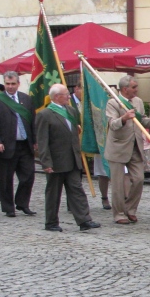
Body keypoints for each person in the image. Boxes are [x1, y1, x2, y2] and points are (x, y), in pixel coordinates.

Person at [34, 84, 100, 232]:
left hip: (72, 159)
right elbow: (42, 140)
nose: (69, 96)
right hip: (56, 161)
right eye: (65, 94)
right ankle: (51, 222)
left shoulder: (71, 111)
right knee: (53, 193)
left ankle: (84, 220)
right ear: (57, 97)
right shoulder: (45, 114)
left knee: (77, 190)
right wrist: (46, 162)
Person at [104, 75, 150, 224]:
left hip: (136, 146)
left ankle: (130, 209)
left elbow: (142, 121)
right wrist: (124, 118)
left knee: (139, 179)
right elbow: (113, 124)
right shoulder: (113, 102)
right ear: (125, 89)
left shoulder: (138, 101)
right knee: (118, 184)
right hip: (118, 148)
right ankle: (118, 214)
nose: (137, 89)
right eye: (134, 87)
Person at [0, 71, 37, 218]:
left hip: (24, 144)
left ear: (18, 84)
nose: (10, 86)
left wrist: (34, 140)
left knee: (28, 175)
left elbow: (33, 121)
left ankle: (22, 203)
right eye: (7, 84)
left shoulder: (26, 99)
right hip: (6, 145)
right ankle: (8, 207)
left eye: (13, 84)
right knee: (5, 179)